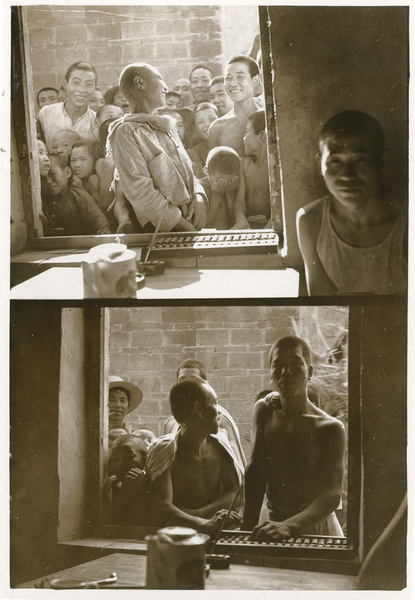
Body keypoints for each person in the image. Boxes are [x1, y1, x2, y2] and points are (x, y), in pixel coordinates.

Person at [242, 336, 346, 540]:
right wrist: (246, 529)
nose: (285, 372)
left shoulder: (331, 428)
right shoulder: (264, 411)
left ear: (310, 372)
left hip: (313, 528)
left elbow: (332, 494)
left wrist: (289, 526)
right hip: (272, 524)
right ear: (270, 375)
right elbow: (256, 472)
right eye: (277, 365)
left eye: (296, 364)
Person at [296, 110, 408, 296]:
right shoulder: (311, 221)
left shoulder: (406, 218)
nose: (347, 175)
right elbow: (323, 308)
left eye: (361, 160)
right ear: (319, 162)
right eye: (335, 161)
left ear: (383, 161)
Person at [107, 62, 208, 233]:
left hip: (187, 221)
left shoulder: (166, 125)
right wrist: (183, 226)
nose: (166, 87)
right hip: (160, 229)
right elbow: (142, 191)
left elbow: (187, 171)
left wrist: (199, 197)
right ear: (140, 83)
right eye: (160, 78)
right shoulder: (125, 132)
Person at [146, 377, 243, 535]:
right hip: (176, 537)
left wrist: (199, 517)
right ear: (198, 409)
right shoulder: (164, 450)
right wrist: (205, 523)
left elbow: (234, 494)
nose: (219, 411)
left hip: (214, 533)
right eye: (215, 403)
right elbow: (162, 508)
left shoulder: (221, 446)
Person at [162, 359, 246, 469]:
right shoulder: (170, 423)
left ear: (205, 384)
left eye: (194, 380)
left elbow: (236, 462)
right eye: (182, 381)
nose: (188, 386)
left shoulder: (219, 418)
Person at [43, 153, 111, 236]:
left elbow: (102, 224)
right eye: (43, 178)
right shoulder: (44, 200)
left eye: (52, 174)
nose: (48, 181)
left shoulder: (77, 196)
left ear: (67, 173)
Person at [209, 55, 262, 157]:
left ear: (255, 80)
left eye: (240, 77)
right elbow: (215, 170)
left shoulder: (268, 116)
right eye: (228, 78)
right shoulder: (217, 128)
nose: (233, 83)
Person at [37, 61, 99, 149]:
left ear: (94, 88)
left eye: (88, 84)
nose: (81, 89)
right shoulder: (46, 113)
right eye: (76, 83)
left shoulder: (96, 121)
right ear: (66, 84)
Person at [107, 434, 153, 526]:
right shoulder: (110, 487)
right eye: (115, 459)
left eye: (129, 456)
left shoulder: (155, 484)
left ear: (145, 460)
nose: (121, 463)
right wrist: (123, 495)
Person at [204, 146, 249, 230]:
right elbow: (204, 225)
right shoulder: (201, 187)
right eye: (220, 181)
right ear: (206, 171)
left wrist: (230, 195)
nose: (224, 185)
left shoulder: (235, 184)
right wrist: (216, 197)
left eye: (229, 181)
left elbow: (234, 221)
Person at [241, 110, 271, 228]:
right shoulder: (243, 164)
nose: (243, 138)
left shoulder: (275, 167)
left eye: (247, 132)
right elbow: (239, 202)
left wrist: (266, 231)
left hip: (271, 225)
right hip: (248, 225)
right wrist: (240, 219)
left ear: (262, 136)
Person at [187, 103, 219, 178]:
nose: (207, 124)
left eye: (212, 119)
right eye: (201, 122)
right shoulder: (195, 152)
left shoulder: (230, 142)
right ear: (194, 128)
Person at [69, 140, 104, 208]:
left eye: (83, 160)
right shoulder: (73, 179)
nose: (77, 165)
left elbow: (99, 209)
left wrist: (81, 190)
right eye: (73, 160)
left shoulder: (94, 180)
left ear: (95, 160)